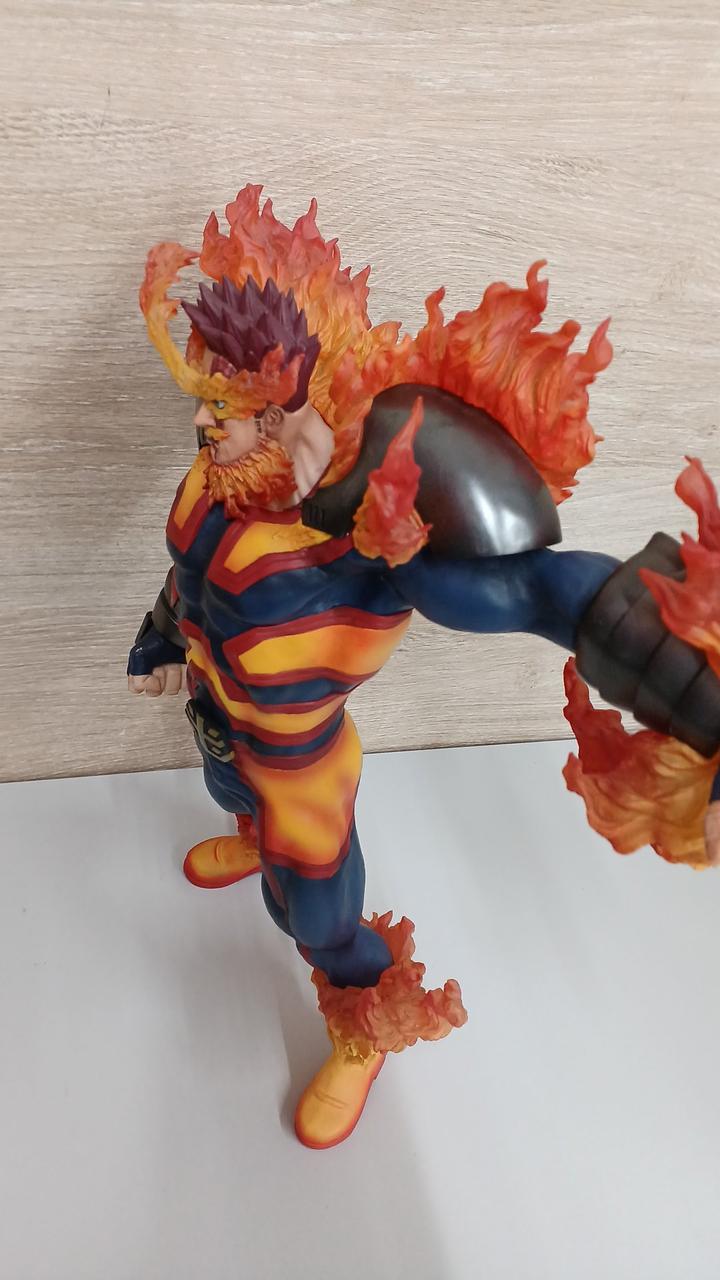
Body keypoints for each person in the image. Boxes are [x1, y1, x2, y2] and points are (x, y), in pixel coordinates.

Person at [128, 189, 720, 1149]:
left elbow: (539, 591)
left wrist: (692, 687)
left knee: (316, 920)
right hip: (221, 722)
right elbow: (189, 580)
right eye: (205, 396)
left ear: (281, 418)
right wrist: (158, 635)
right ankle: (249, 831)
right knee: (226, 789)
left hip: (300, 767)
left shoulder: (368, 539)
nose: (202, 419)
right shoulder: (215, 478)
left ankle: (362, 1028)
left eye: (225, 407)